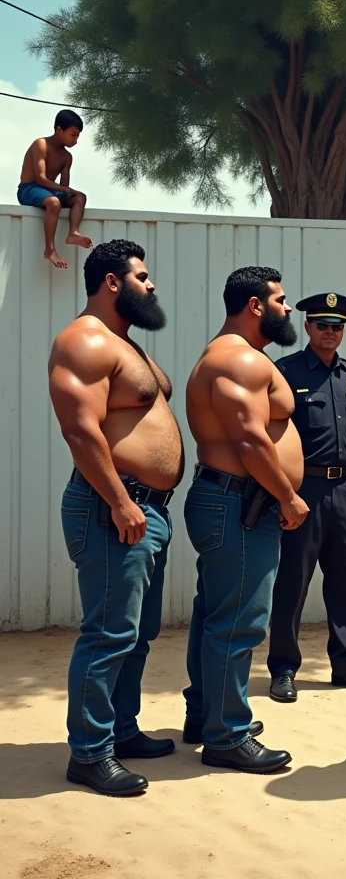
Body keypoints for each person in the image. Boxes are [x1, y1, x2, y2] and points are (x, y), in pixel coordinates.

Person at [48, 240, 183, 797]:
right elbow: (81, 430)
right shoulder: (82, 341)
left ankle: (121, 730)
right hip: (112, 509)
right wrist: (120, 501)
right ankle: (89, 753)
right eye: (143, 277)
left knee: (138, 633)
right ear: (111, 282)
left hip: (146, 511)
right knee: (108, 634)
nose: (151, 286)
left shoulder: (125, 344)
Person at [183, 266, 308, 774]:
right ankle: (227, 735)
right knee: (238, 623)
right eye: (280, 299)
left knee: (215, 616)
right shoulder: (237, 359)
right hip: (239, 504)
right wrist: (287, 495)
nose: (287, 307)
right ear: (255, 306)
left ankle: (206, 714)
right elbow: (250, 440)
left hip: (229, 502)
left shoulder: (237, 356)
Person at [267, 293, 346, 703]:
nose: (330, 332)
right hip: (303, 493)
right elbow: (269, 437)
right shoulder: (284, 373)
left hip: (345, 493)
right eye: (323, 325)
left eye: (337, 326)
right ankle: (283, 668)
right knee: (292, 584)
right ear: (308, 327)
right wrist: (282, 495)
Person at [17, 109, 92, 269]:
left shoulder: (67, 157)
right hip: (29, 189)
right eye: (73, 135)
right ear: (59, 129)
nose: (75, 140)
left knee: (80, 197)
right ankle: (49, 250)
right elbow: (41, 179)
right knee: (54, 203)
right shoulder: (41, 144)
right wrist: (66, 191)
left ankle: (73, 232)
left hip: (49, 191)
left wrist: (70, 193)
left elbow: (64, 188)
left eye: (77, 136)